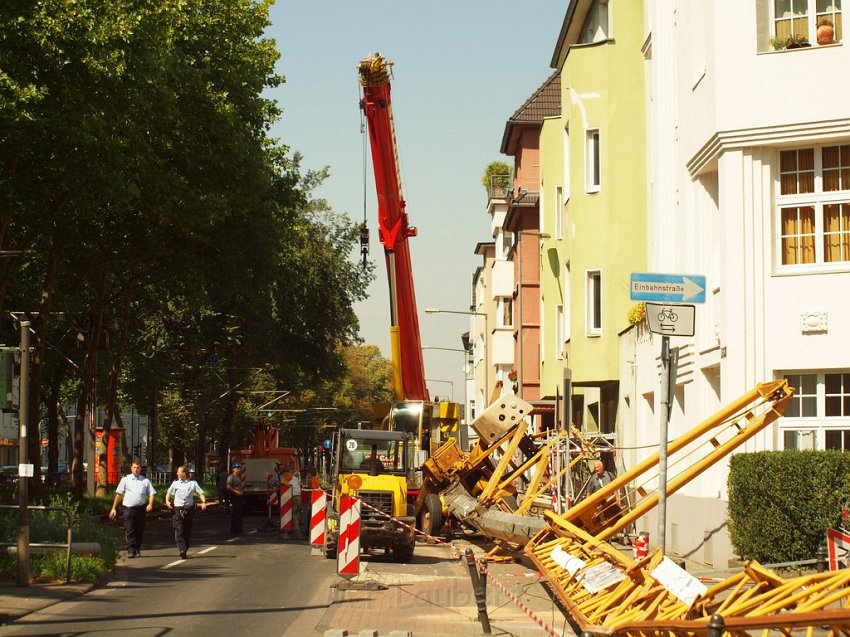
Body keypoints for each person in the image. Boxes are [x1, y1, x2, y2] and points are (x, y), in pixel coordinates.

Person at [109, 460, 156, 558]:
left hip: (141, 508)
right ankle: (131, 550)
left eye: (138, 468)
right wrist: (113, 508)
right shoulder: (125, 480)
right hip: (128, 509)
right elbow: (119, 495)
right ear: (131, 468)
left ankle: (137, 549)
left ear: (140, 469)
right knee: (130, 529)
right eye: (134, 467)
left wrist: (150, 504)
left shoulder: (145, 480)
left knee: (140, 529)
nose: (136, 469)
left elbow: (151, 493)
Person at [165, 465, 207, 559]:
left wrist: (203, 502)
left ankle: (185, 546)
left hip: (189, 510)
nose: (177, 473)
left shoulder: (192, 483)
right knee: (179, 530)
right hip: (178, 510)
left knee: (187, 530)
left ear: (184, 473)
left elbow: (201, 493)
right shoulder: (175, 483)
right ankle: (182, 550)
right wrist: (167, 501)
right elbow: (168, 493)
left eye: (179, 472)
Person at [226, 462, 246, 535]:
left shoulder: (238, 477)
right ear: (233, 469)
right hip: (234, 497)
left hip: (239, 497)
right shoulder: (231, 477)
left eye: (240, 468)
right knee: (235, 513)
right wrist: (236, 491)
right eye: (237, 468)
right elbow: (228, 486)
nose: (239, 469)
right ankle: (235, 531)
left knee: (239, 514)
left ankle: (238, 530)